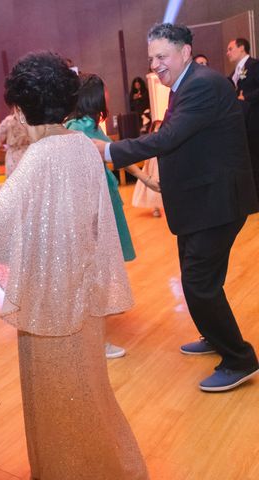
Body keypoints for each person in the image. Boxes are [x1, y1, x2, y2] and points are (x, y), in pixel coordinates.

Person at [0, 52, 148, 480]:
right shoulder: (78, 145)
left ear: (19, 108)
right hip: (82, 296)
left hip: (51, 307)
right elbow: (36, 199)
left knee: (57, 404)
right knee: (89, 392)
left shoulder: (41, 156)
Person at [94, 23, 259, 392]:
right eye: (151, 57)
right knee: (195, 278)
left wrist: (107, 150)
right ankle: (216, 337)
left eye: (161, 56)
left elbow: (168, 138)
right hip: (202, 201)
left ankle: (239, 358)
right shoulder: (186, 84)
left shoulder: (200, 84)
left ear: (185, 52)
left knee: (200, 284)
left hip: (217, 202)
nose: (154, 64)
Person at [65, 73, 160, 359]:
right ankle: (96, 341)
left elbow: (113, 153)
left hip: (100, 203)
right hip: (93, 208)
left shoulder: (86, 125)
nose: (108, 97)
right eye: (104, 92)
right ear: (94, 97)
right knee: (96, 272)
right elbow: (107, 157)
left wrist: (145, 178)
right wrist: (145, 178)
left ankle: (91, 334)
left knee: (97, 271)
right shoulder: (79, 128)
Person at [226, 38, 259, 198]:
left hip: (254, 120)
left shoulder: (254, 65)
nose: (228, 53)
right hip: (242, 122)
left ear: (242, 48)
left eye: (230, 48)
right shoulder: (234, 72)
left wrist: (246, 97)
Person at [131, 120, 164, 217]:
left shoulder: (164, 138)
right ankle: (155, 207)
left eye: (160, 127)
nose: (158, 130)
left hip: (161, 164)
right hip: (153, 165)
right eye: (156, 128)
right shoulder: (151, 139)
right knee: (153, 186)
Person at [0, 111, 31, 177]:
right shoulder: (32, 119)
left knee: (12, 182)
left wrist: (2, 147)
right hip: (29, 154)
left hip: (13, 157)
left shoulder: (9, 121)